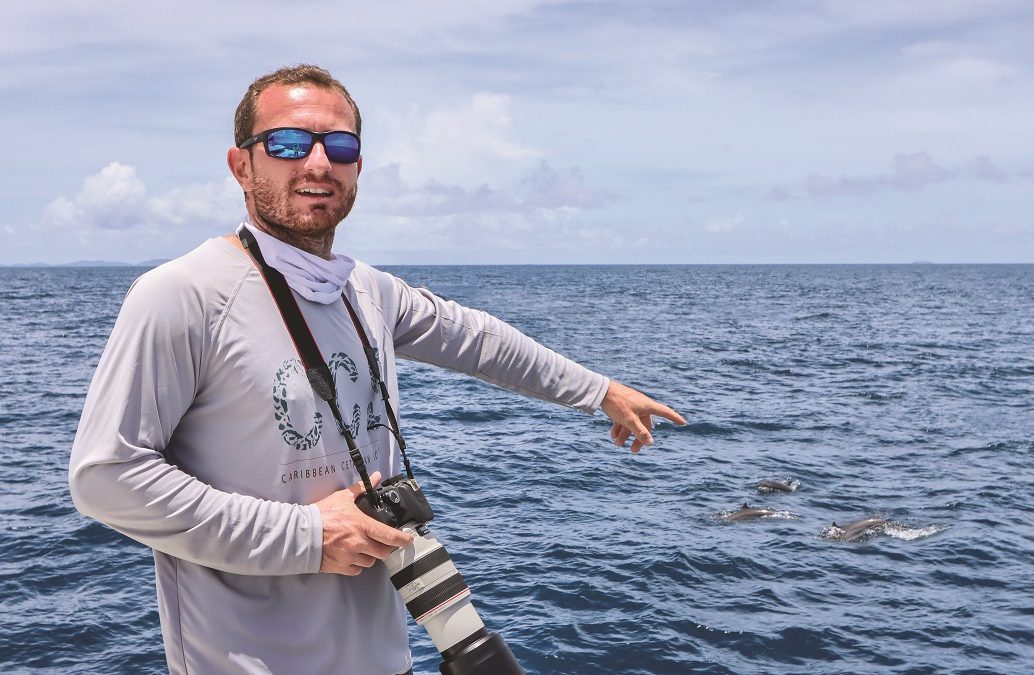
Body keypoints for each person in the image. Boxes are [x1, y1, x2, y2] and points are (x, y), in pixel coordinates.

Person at [68, 64, 685, 675]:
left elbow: (479, 340)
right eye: (286, 143)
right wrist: (307, 536)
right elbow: (106, 476)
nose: (317, 163)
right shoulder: (184, 294)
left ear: (358, 167)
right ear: (241, 166)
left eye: (339, 145)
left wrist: (598, 390)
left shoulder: (364, 291)